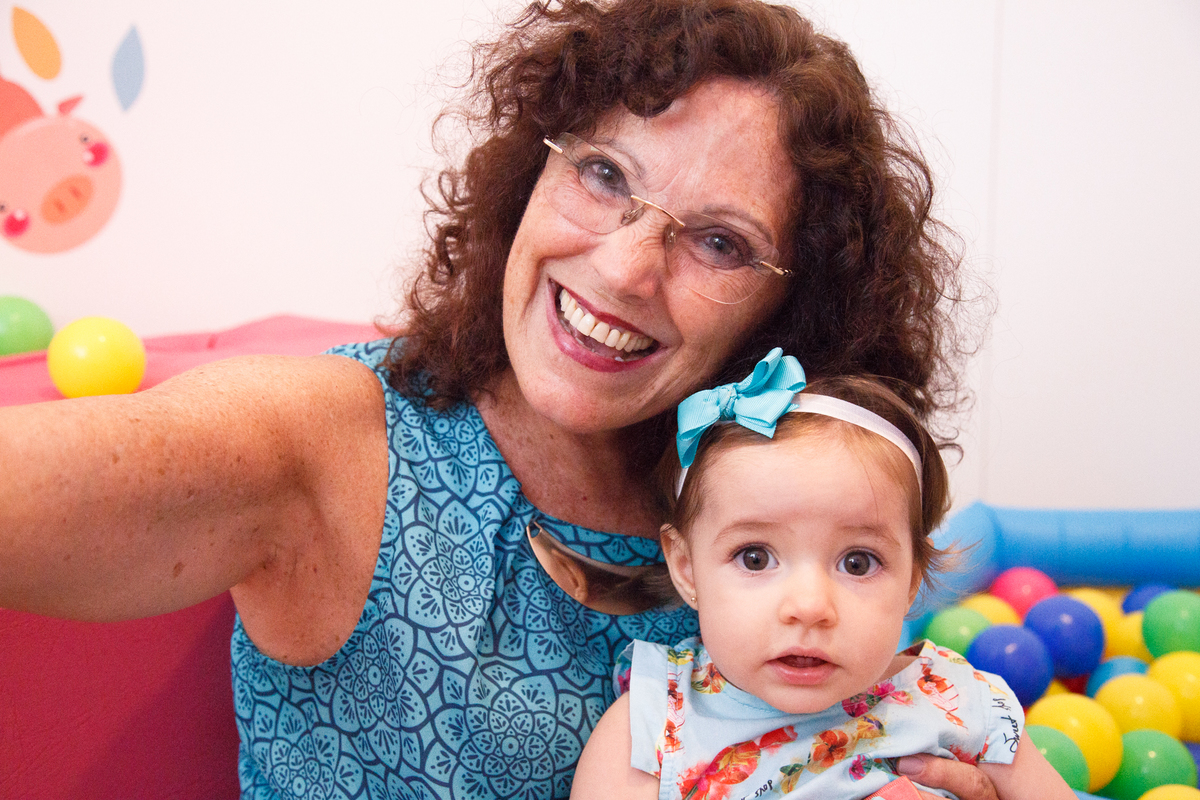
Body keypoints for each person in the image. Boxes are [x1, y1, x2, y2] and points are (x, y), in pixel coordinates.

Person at [0, 1, 997, 799]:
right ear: (531, 173)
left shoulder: (788, 490)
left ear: (793, 307)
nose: (624, 266)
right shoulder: (325, 438)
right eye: (603, 174)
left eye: (719, 241)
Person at [571, 354, 1074, 800]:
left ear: (911, 581)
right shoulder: (655, 724)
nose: (809, 606)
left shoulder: (960, 700)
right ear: (687, 569)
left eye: (858, 562)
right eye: (754, 558)